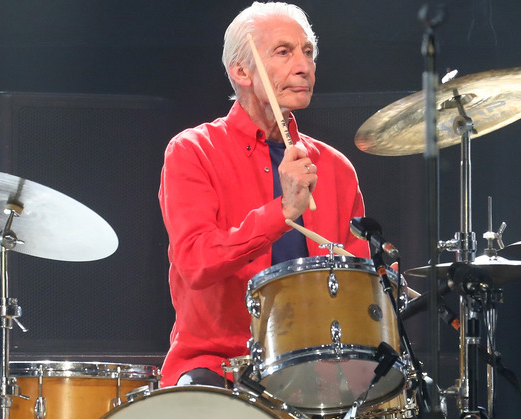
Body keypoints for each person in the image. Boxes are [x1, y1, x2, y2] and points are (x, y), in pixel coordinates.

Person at [158, 1, 370, 388]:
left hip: (318, 368)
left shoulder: (336, 168)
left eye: (308, 52)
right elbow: (194, 263)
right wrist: (283, 211)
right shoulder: (193, 151)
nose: (304, 66)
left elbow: (358, 283)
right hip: (220, 365)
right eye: (284, 52)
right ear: (241, 71)